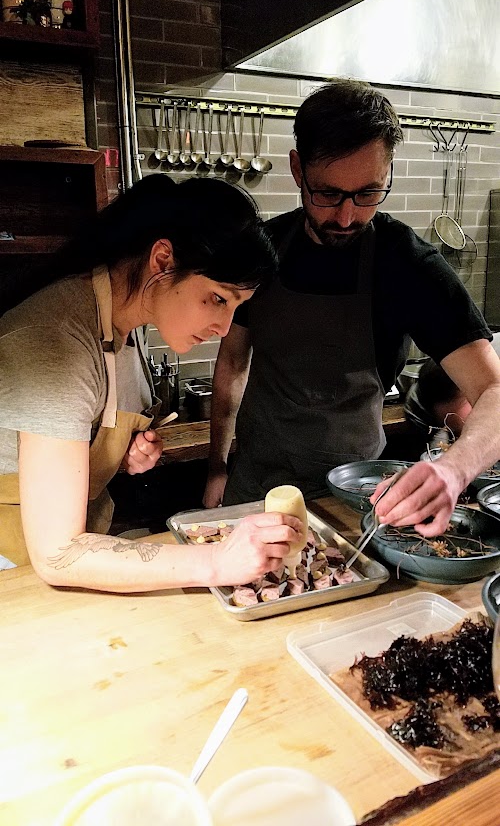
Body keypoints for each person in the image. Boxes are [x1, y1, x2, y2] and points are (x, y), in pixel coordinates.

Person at [203, 79, 500, 539]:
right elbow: (233, 362)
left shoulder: (408, 265)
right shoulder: (260, 250)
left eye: (367, 193)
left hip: (356, 499)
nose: (345, 218)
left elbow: (495, 392)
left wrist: (454, 470)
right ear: (298, 169)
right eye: (328, 194)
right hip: (255, 489)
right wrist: (217, 468)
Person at [0, 174, 302, 589]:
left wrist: (121, 456)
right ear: (162, 260)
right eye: (217, 298)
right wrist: (215, 560)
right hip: (15, 566)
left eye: (236, 308)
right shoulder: (58, 341)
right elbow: (58, 553)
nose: (223, 327)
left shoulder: (127, 320)